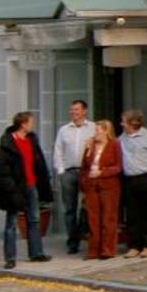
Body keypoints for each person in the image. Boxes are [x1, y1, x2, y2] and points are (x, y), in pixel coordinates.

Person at [0, 111, 53, 267]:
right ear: (23, 124)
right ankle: (10, 258)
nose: (33, 125)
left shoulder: (32, 140)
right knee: (11, 223)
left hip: (31, 184)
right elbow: (0, 167)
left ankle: (36, 253)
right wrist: (10, 187)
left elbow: (38, 162)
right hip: (15, 187)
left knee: (34, 219)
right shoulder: (7, 142)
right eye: (31, 122)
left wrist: (44, 181)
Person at [118, 109, 147, 258]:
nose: (121, 123)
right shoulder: (121, 139)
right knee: (132, 214)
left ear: (132, 122)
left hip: (145, 178)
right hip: (129, 179)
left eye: (124, 120)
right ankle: (134, 245)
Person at [51, 99, 93, 255]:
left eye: (76, 109)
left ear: (84, 111)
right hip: (68, 172)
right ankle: (72, 242)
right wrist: (61, 170)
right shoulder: (64, 130)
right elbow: (58, 151)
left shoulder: (93, 128)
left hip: (85, 172)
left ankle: (86, 235)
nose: (73, 112)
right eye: (71, 110)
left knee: (87, 206)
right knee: (69, 209)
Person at [80, 119, 122, 260]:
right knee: (93, 219)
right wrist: (84, 184)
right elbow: (84, 166)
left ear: (106, 131)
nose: (95, 133)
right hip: (92, 185)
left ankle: (107, 250)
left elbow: (118, 167)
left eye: (98, 130)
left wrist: (102, 172)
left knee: (108, 218)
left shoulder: (114, 145)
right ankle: (93, 251)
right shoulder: (90, 145)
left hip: (109, 186)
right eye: (95, 130)